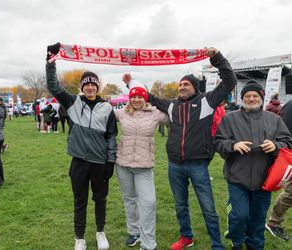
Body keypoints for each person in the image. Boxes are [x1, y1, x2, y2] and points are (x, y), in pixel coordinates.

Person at [123, 47, 237, 250]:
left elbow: (230, 82)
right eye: (180, 85)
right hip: (175, 165)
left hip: (198, 164)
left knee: (208, 207)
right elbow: (146, 96)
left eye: (186, 84)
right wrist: (130, 83)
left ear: (194, 87)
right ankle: (186, 237)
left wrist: (217, 57)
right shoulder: (171, 105)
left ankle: (217, 245)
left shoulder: (207, 101)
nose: (182, 87)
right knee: (180, 206)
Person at [46, 43, 117, 250]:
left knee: (100, 200)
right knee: (80, 202)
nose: (90, 87)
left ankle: (100, 232)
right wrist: (51, 59)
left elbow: (112, 136)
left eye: (93, 84)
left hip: (100, 163)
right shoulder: (73, 102)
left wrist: (110, 161)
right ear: (81, 87)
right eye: (86, 84)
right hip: (78, 162)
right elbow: (53, 86)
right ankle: (80, 237)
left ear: (98, 86)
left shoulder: (107, 108)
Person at [213, 80, 292, 250]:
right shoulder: (230, 118)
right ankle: (236, 240)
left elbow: (287, 142)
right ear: (242, 99)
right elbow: (218, 142)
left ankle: (255, 245)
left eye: (255, 95)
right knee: (239, 216)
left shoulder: (274, 119)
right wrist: (233, 145)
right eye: (247, 96)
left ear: (261, 99)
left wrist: (275, 146)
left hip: (264, 181)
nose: (251, 98)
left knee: (258, 219)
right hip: (237, 178)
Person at [115, 78, 168, 250]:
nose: (137, 100)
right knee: (129, 199)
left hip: (144, 167)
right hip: (123, 164)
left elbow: (176, 117)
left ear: (146, 98)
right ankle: (134, 232)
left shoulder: (155, 113)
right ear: (129, 98)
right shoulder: (122, 112)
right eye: (134, 97)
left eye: (140, 97)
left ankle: (148, 243)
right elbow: (100, 114)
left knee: (148, 203)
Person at [265, 99, 292, 241]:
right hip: (290, 155)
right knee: (290, 193)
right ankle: (274, 222)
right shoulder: (290, 105)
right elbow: (285, 134)